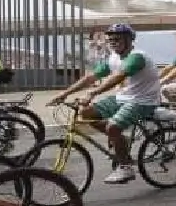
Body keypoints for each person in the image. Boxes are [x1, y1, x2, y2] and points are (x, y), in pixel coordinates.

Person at [47, 24, 161, 184]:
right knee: (86, 113)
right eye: (110, 40)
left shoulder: (137, 57)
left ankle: (126, 167)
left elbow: (118, 77)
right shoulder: (114, 58)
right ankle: (121, 140)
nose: (113, 43)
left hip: (143, 100)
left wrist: (92, 93)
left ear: (129, 40)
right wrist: (64, 94)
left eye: (117, 39)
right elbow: (91, 77)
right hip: (124, 97)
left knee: (112, 127)